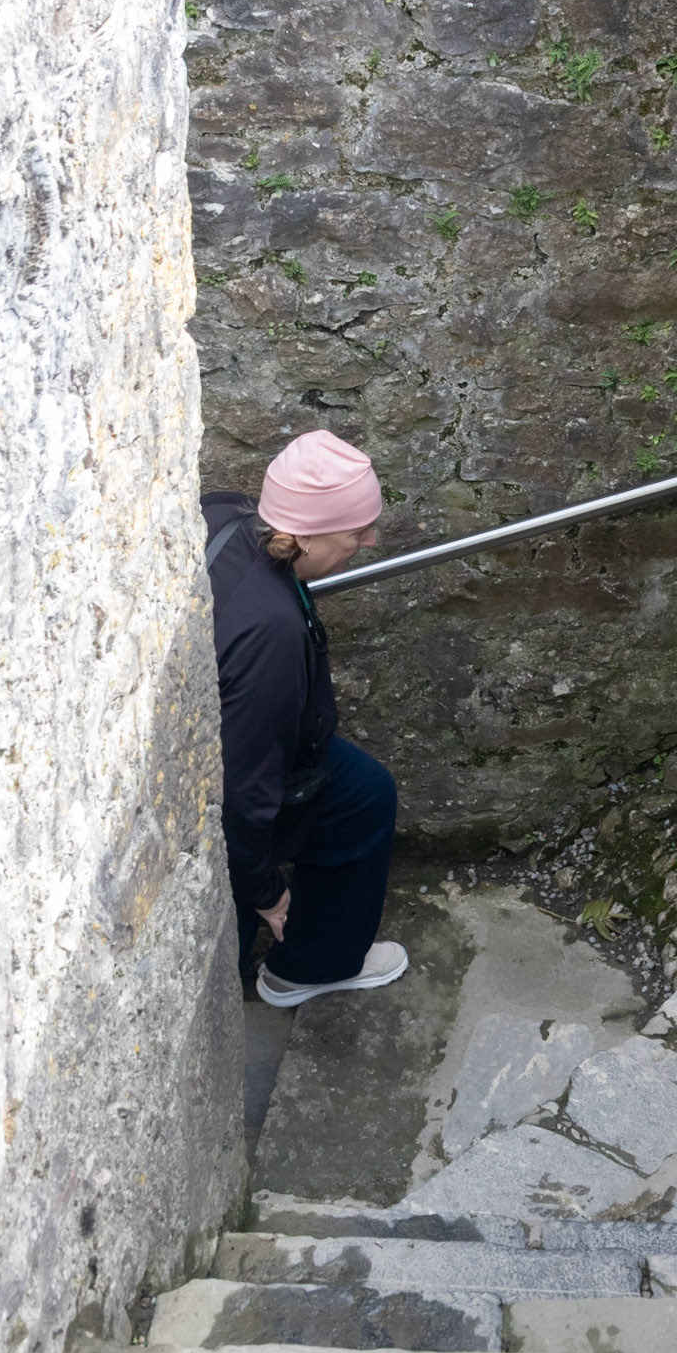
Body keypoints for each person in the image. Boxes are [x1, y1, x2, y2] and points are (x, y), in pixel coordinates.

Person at [202, 429, 406, 1008]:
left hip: (272, 738)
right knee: (240, 891)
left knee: (364, 793)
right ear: (304, 533)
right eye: (356, 531)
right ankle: (278, 974)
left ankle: (317, 957)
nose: (369, 541)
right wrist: (268, 893)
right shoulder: (271, 633)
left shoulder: (224, 512)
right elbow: (243, 792)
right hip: (254, 766)